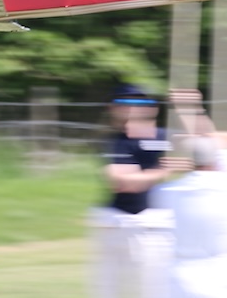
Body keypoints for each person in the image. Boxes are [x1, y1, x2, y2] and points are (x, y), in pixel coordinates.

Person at [153, 89, 227, 298]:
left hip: (184, 277)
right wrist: (193, 109)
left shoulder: (166, 193)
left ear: (189, 161)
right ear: (217, 160)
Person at [89, 84, 173, 298]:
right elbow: (123, 182)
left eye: (136, 103)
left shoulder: (165, 137)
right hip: (118, 222)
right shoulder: (114, 141)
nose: (129, 108)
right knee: (108, 289)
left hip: (151, 225)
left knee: (152, 289)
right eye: (122, 103)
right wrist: (162, 171)